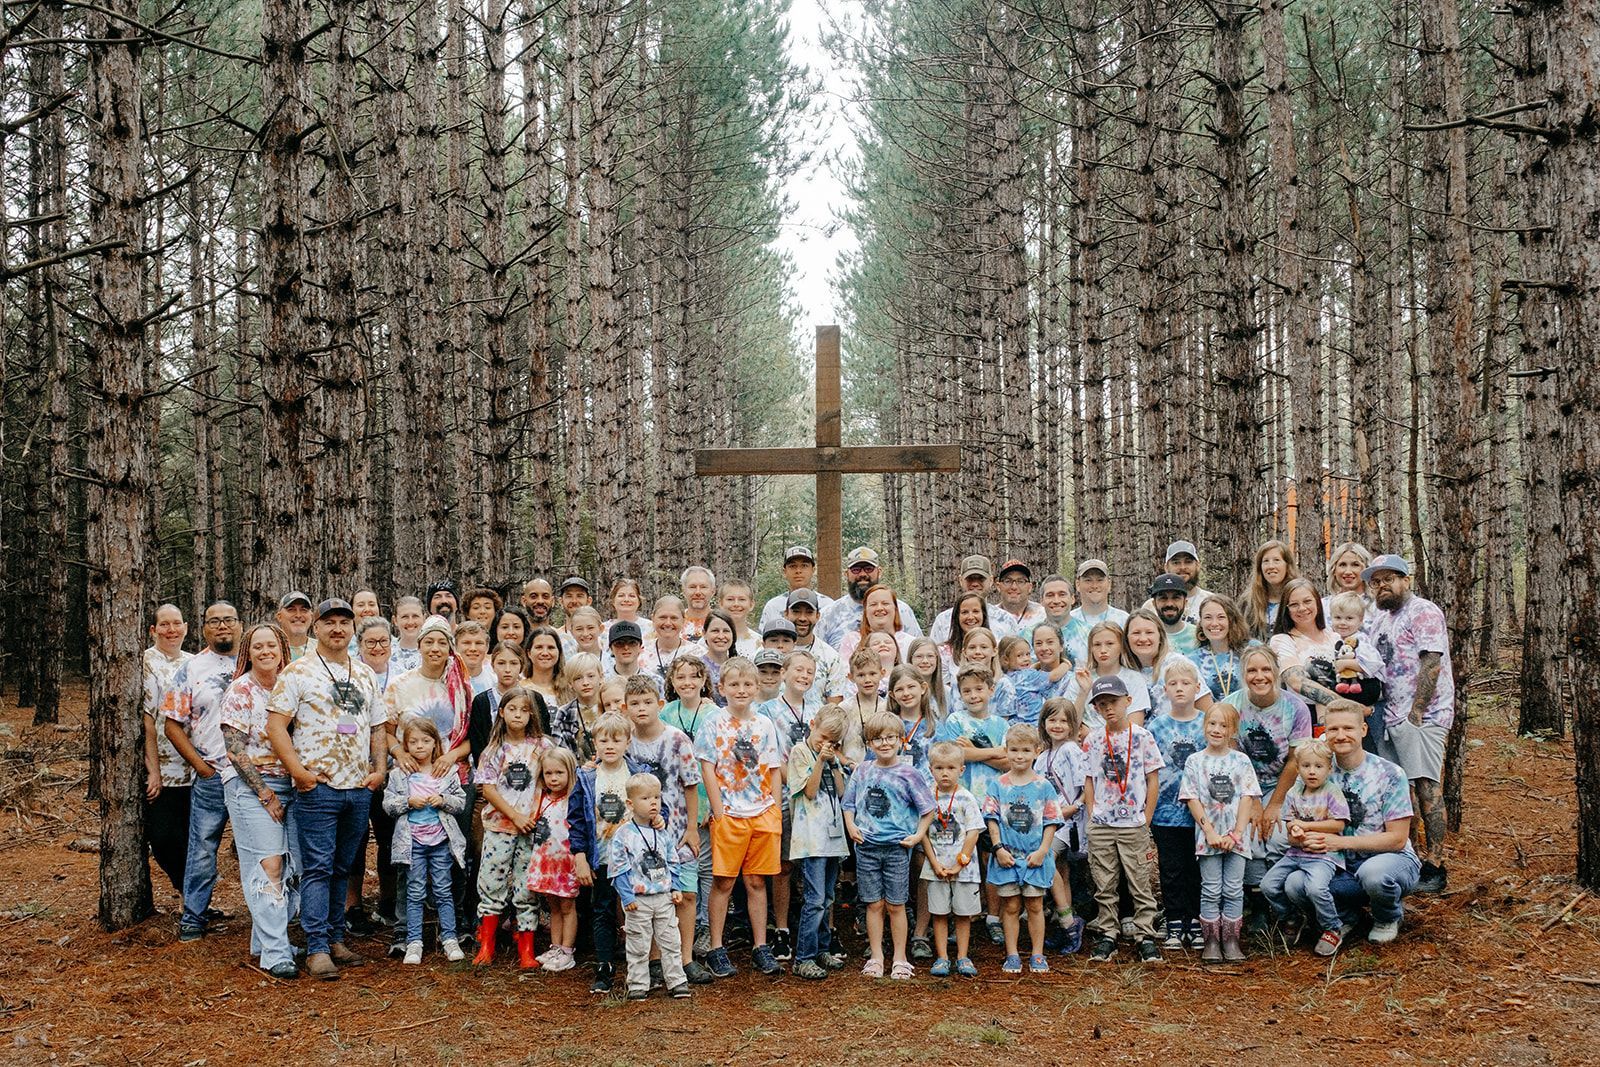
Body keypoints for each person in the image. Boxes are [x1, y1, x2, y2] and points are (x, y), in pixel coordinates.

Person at [265, 597, 386, 980]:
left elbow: (378, 725)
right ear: (316, 627)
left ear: (352, 629)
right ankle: (316, 947)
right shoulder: (297, 672)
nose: (337, 629)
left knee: (341, 867)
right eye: (329, 622)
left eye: (344, 622)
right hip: (318, 788)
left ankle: (335, 939)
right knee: (317, 868)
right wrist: (298, 772)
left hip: (358, 788)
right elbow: (275, 726)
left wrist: (379, 770)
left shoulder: (364, 673)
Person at [1363, 554, 1454, 893]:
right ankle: (1410, 856)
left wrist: (1417, 712)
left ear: (1406, 580)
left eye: (1389, 578)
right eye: (1376, 581)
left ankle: (1436, 863)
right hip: (1389, 716)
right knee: (1401, 791)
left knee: (1426, 785)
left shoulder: (1423, 611)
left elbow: (1431, 662)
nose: (1382, 586)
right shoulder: (1379, 619)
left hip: (1422, 717)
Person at [219, 622, 300, 978]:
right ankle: (276, 954)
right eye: (258, 647)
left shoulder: (290, 685)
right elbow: (235, 751)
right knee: (269, 864)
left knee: (290, 864)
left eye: (271, 646)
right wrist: (265, 794)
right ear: (247, 653)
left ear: (282, 649)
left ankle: (264, 941)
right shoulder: (241, 691)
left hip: (292, 783)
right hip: (251, 787)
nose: (266, 652)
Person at [695, 657, 785, 978]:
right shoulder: (713, 722)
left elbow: (774, 768)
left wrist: (774, 809)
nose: (741, 690)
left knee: (756, 881)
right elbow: (707, 767)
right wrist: (718, 810)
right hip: (730, 814)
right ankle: (716, 948)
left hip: (761, 812)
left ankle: (761, 946)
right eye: (734, 684)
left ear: (757, 688)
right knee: (723, 882)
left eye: (747, 684)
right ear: (721, 688)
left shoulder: (764, 725)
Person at [162, 600, 242, 941]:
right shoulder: (191, 669)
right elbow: (172, 725)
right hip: (213, 774)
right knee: (203, 848)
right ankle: (194, 916)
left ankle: (274, 914)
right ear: (204, 628)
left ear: (240, 625)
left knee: (264, 848)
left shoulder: (257, 660)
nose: (222, 626)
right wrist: (201, 766)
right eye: (214, 621)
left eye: (229, 620)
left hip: (255, 775)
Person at [624, 672, 711, 985]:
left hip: (677, 831)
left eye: (647, 702)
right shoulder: (626, 742)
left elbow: (691, 784)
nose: (642, 708)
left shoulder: (676, 740)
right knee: (649, 897)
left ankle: (685, 959)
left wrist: (692, 828)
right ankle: (655, 959)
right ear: (625, 707)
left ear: (660, 704)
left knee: (685, 894)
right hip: (642, 837)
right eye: (635, 703)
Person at [843, 711, 936, 980]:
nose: (884, 743)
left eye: (890, 738)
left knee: (896, 904)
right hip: (867, 847)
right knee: (873, 904)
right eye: (877, 739)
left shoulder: (909, 773)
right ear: (869, 743)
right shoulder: (862, 770)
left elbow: (927, 809)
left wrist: (917, 836)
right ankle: (876, 957)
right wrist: (851, 826)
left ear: (900, 740)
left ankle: (900, 958)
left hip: (897, 847)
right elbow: (848, 804)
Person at [1320, 699, 1420, 943]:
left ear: (1363, 730)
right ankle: (1346, 916)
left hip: (1389, 859)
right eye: (1333, 729)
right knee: (1299, 882)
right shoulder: (1318, 771)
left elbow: (1397, 839)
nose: (1340, 735)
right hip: (1339, 862)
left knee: (1373, 875)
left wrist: (1341, 843)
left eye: (1348, 728)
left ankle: (1387, 916)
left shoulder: (1389, 773)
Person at [1223, 646, 1314, 913]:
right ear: (1243, 674)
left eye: (1266, 669)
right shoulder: (1232, 706)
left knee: (1277, 835)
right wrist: (1253, 802)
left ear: (1275, 672)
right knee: (1248, 833)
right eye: (1252, 670)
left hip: (1285, 784)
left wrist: (1275, 804)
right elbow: (1233, 759)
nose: (1259, 676)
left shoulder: (1295, 707)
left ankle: (1284, 901)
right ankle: (1257, 902)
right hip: (1244, 786)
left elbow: (1295, 760)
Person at [1082, 676, 1165, 964]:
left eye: (1114, 702)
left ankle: (1145, 935)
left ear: (1128, 701)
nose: (1109, 709)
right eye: (1102, 704)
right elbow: (1090, 779)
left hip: (1134, 823)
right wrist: (1092, 814)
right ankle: (1108, 933)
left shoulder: (1142, 737)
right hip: (1102, 823)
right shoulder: (1093, 739)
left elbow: (1153, 779)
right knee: (1104, 882)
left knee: (1139, 881)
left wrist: (1146, 817)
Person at [472, 686, 552, 968]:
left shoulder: (542, 747)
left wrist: (534, 816)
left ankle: (526, 949)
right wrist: (514, 815)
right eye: (512, 709)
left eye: (524, 710)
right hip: (499, 826)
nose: (518, 715)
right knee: (491, 882)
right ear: (502, 712)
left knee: (526, 886)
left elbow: (553, 779)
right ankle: (487, 945)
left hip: (531, 829)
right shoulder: (494, 750)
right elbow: (488, 788)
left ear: (532, 714)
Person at [934, 664, 1011, 946]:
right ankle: (960, 915)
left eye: (979, 689)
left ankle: (993, 917)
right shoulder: (955, 720)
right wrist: (994, 752)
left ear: (991, 690)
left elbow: (1008, 761)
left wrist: (975, 751)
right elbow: (956, 756)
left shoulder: (1001, 725)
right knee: (960, 857)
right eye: (967, 691)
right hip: (960, 803)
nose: (973, 695)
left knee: (990, 859)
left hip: (992, 802)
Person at [1179, 702, 1263, 963]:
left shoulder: (1241, 761)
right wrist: (1210, 833)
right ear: (1204, 726)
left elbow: (1247, 797)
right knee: (1211, 888)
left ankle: (1231, 940)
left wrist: (1236, 834)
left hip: (1237, 839)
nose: (1216, 729)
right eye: (1212, 723)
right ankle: (1212, 941)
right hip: (1209, 838)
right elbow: (1192, 798)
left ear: (1233, 730)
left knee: (1234, 889)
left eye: (1223, 725)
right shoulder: (1195, 761)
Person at [383, 717, 467, 964]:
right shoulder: (399, 775)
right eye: (413, 742)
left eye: (426, 741)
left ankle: (449, 938)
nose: (420, 746)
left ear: (435, 744)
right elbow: (388, 804)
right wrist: (407, 802)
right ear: (406, 746)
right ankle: (414, 942)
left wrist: (443, 800)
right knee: (415, 890)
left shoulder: (447, 773)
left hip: (440, 841)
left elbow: (460, 802)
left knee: (443, 889)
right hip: (412, 844)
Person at [983, 724, 1064, 974]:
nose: (1020, 756)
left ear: (1037, 751)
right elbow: (992, 819)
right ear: (1006, 751)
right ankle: (1012, 954)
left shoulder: (1043, 786)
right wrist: (998, 848)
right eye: (1014, 750)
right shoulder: (998, 785)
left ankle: (1038, 954)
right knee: (1010, 906)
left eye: (1026, 750)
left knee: (1035, 905)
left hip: (1034, 858)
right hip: (1007, 856)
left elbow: (1051, 821)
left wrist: (1043, 851)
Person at [1261, 738, 1350, 956]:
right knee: (1268, 885)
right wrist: (1296, 830)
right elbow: (1290, 823)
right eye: (1306, 766)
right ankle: (1291, 917)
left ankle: (1332, 927)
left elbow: (1339, 824)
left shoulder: (1331, 792)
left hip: (1324, 854)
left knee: (1316, 888)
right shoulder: (1294, 792)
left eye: (1318, 766)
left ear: (1329, 769)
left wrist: (1307, 826)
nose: (1312, 771)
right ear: (1298, 768)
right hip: (1296, 853)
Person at [1145, 656, 1207, 950]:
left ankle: (1194, 920)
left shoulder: (1206, 724)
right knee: (1170, 869)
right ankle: (1173, 921)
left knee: (1196, 869)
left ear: (1197, 687)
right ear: (1164, 690)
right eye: (1173, 683)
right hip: (1165, 812)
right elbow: (1149, 771)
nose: (1179, 688)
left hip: (1199, 814)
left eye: (1185, 683)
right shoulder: (1156, 727)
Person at [614, 772, 691, 1000]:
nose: (653, 803)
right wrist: (627, 897)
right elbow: (618, 868)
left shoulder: (662, 832)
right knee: (638, 943)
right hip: (638, 900)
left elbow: (672, 861)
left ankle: (677, 981)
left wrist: (675, 887)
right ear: (631, 804)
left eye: (657, 797)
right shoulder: (623, 834)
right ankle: (638, 983)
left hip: (663, 897)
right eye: (646, 798)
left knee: (671, 940)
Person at [786, 707, 850, 980]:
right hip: (811, 839)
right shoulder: (800, 752)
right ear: (812, 725)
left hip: (832, 837)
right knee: (814, 900)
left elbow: (842, 792)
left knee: (828, 897)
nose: (825, 744)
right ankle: (804, 957)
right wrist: (820, 762)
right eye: (823, 737)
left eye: (832, 742)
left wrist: (834, 763)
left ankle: (823, 948)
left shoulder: (831, 756)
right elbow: (810, 792)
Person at [577, 711, 637, 991]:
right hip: (601, 856)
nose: (610, 746)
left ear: (628, 742)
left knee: (635, 909)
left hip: (633, 860)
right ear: (595, 743)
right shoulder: (587, 777)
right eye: (603, 740)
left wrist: (658, 819)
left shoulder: (637, 773)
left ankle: (640, 966)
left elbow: (653, 805)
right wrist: (579, 855)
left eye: (616, 740)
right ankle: (604, 965)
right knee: (602, 910)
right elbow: (576, 820)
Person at [524, 746, 594, 971]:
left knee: (567, 906)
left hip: (566, 863)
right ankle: (555, 947)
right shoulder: (542, 799)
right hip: (546, 862)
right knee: (553, 906)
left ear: (570, 772)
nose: (553, 778)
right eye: (549, 773)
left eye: (559, 773)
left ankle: (567, 950)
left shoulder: (573, 800)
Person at [922, 740, 984, 977]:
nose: (945, 773)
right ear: (931, 769)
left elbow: (973, 832)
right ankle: (942, 958)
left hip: (964, 869)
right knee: (939, 913)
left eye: (950, 768)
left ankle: (962, 956)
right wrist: (934, 863)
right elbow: (923, 834)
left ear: (961, 769)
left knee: (962, 913)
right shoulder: (927, 797)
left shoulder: (966, 798)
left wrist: (961, 862)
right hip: (936, 866)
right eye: (939, 768)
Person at [142, 604, 192, 897]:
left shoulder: (194, 662)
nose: (171, 630)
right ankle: (185, 889)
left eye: (177, 624)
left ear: (186, 628)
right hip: (163, 768)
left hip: (195, 767)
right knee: (163, 838)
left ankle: (193, 900)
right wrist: (154, 771)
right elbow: (147, 719)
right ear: (153, 630)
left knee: (191, 838)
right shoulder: (146, 662)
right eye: (164, 624)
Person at [1036, 698, 1087, 952]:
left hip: (1068, 821)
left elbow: (1086, 785)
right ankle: (1064, 924)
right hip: (1048, 821)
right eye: (1052, 720)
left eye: (1064, 721)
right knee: (1061, 870)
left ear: (1072, 725)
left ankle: (1069, 922)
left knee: (1046, 858)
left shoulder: (1071, 751)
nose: (1057, 725)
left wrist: (1075, 807)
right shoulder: (1042, 756)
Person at [818, 547, 923, 648]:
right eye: (856, 570)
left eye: (869, 569)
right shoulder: (829, 614)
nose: (862, 574)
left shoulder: (901, 610)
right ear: (846, 574)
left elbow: (918, 650)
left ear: (879, 572)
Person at [1063, 622, 1151, 729]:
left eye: (1110, 644)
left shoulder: (1134, 679)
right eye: (1097, 645)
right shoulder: (1081, 678)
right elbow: (1069, 725)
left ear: (1121, 646)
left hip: (1122, 738)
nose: (1103, 650)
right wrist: (1083, 692)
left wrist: (1098, 736)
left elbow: (1135, 726)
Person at [1187, 594, 1254, 703]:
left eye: (1221, 617)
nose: (1214, 623)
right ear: (1201, 622)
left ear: (1231, 620)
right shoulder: (1192, 660)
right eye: (1208, 617)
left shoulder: (1253, 650)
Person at [1062, 559, 1128, 668]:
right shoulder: (1066, 622)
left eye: (1100, 580)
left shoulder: (1124, 620)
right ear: (1077, 584)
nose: (1094, 585)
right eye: (1088, 580)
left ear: (1109, 584)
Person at [784, 589, 846, 703]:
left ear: (817, 616)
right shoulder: (772, 652)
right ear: (786, 614)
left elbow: (834, 707)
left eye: (809, 612)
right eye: (796, 612)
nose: (802, 618)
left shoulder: (831, 658)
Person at [759, 545, 837, 632]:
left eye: (804, 566)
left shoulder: (828, 605)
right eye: (793, 566)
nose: (798, 571)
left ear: (813, 570)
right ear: (785, 572)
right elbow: (764, 638)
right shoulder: (773, 606)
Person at [1140, 541, 1216, 626]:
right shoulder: (1150, 607)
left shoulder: (1211, 601)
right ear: (1166, 567)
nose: (1182, 567)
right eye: (1176, 563)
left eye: (1188, 562)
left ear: (1198, 565)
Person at [928, 555, 998, 645]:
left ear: (991, 580)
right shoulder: (943, 621)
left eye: (981, 579)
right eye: (970, 579)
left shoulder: (1006, 621)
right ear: (961, 580)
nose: (975, 584)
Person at [838, 583, 916, 663]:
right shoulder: (851, 641)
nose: (879, 608)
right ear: (865, 612)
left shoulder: (911, 643)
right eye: (873, 604)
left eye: (885, 603)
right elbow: (844, 670)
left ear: (895, 609)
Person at [550, 653, 604, 763]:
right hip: (577, 770)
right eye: (578, 678)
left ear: (601, 677)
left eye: (591, 676)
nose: (585, 683)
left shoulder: (610, 706)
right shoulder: (564, 713)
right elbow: (561, 754)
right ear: (570, 684)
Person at [840, 647, 888, 764]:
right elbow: (834, 747)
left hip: (881, 770)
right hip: (850, 771)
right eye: (861, 675)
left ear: (882, 673)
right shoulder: (844, 708)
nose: (867, 680)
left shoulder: (888, 708)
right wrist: (849, 765)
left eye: (872, 674)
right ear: (851, 677)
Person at [1245, 539, 1299, 639]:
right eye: (1266, 561)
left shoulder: (1300, 597)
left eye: (1276, 560)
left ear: (1287, 565)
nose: (1271, 566)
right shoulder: (1249, 601)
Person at [638, 596, 691, 681]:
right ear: (653, 619)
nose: (668, 623)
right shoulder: (640, 653)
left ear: (683, 620)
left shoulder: (697, 653)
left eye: (674, 618)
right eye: (662, 617)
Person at [992, 560, 1047, 641]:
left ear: (1030, 587)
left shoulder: (1043, 616)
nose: (1014, 587)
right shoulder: (990, 617)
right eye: (1008, 581)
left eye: (1021, 581)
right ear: (998, 586)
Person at [1147, 574, 1200, 654]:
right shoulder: (1146, 637)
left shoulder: (1198, 636)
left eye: (1176, 598)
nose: (1169, 604)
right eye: (1163, 598)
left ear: (1185, 602)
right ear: (1154, 603)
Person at [1324, 542, 1374, 620]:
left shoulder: (1377, 606)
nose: (1348, 572)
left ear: (1366, 569)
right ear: (1334, 570)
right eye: (1343, 565)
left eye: (1355, 565)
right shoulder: (1323, 606)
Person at [718, 580, 763, 657]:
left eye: (742, 599)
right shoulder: (710, 641)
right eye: (730, 599)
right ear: (721, 603)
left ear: (751, 604)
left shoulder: (760, 643)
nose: (736, 604)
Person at [525, 626, 567, 708]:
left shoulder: (570, 689)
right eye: (539, 647)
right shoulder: (519, 688)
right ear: (529, 653)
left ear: (559, 652)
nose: (545, 653)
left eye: (551, 648)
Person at [604, 578, 654, 643]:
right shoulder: (603, 629)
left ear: (639, 601)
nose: (626, 600)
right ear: (613, 601)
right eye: (621, 595)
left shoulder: (651, 628)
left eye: (632, 596)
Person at [356, 618, 397, 694]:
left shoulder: (403, 675)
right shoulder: (349, 674)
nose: (378, 648)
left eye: (383, 641)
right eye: (371, 642)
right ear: (359, 645)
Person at [679, 566, 716, 643]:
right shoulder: (674, 622)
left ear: (713, 591)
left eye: (703, 587)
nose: (698, 592)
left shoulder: (723, 622)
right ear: (684, 591)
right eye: (692, 587)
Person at [391, 596, 425, 673]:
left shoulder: (432, 651)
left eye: (415, 616)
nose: (410, 622)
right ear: (395, 620)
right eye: (405, 617)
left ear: (424, 618)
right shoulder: (386, 652)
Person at [276, 591, 313, 661]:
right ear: (279, 617)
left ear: (311, 617)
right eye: (291, 610)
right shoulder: (269, 649)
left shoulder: (322, 649)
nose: (298, 615)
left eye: (304, 610)